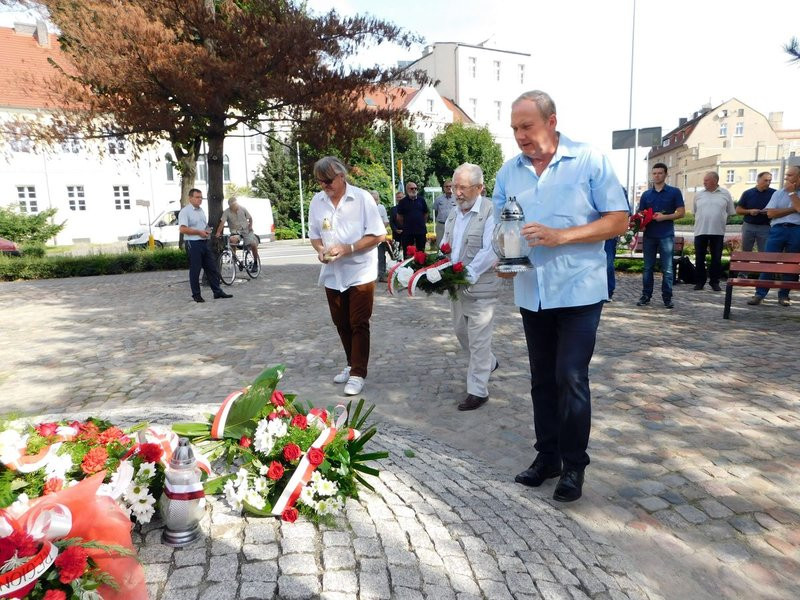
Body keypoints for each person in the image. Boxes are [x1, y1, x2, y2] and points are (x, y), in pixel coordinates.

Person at [492, 90, 628, 503]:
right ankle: (546, 457)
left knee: (570, 377)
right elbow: (500, 225)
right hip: (531, 291)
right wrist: (501, 255)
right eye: (514, 128)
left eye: (527, 127)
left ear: (551, 121)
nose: (520, 136)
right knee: (541, 381)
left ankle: (573, 466)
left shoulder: (589, 160)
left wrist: (561, 236)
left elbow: (618, 220)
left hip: (579, 290)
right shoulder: (508, 172)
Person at [308, 157, 386, 396]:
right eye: (320, 182)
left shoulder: (361, 198)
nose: (324, 186)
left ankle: (358, 373)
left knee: (358, 322)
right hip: (333, 272)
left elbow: (378, 235)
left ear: (342, 176)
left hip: (360, 270)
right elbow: (314, 235)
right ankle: (352, 364)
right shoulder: (317, 201)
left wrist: (349, 247)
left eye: (328, 181)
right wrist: (320, 250)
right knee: (341, 323)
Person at [440, 164, 499, 411]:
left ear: (479, 188)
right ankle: (490, 362)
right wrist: (438, 266)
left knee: (478, 341)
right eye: (455, 187)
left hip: (481, 289)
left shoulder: (490, 211)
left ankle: (478, 391)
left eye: (463, 187)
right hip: (456, 288)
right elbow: (446, 243)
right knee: (460, 332)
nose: (457, 192)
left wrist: (467, 274)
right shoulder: (454, 212)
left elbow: (492, 250)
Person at [747, 165, 800, 307]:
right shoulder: (778, 193)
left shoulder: (788, 192)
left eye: (790, 175)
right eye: (786, 175)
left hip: (797, 230)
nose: (786, 178)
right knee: (768, 262)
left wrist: (792, 194)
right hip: (777, 229)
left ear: (798, 178)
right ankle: (760, 294)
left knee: (791, 265)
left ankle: (784, 295)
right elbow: (770, 213)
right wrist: (792, 209)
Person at [635, 163, 686, 308]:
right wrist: (640, 223)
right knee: (647, 268)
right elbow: (641, 215)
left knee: (668, 269)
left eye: (660, 173)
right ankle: (646, 295)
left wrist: (664, 217)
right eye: (654, 173)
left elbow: (681, 213)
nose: (656, 176)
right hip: (649, 235)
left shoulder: (674, 192)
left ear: (666, 174)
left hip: (666, 235)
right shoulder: (646, 194)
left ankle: (667, 297)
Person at [178, 189, 233, 302]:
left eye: (201, 197)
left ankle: (217, 292)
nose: (200, 200)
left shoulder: (201, 210)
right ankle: (196, 295)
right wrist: (199, 232)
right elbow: (182, 229)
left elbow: (203, 225)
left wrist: (207, 231)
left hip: (204, 242)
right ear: (190, 198)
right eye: (197, 197)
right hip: (193, 244)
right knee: (195, 269)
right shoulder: (185, 211)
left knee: (212, 268)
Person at [693, 172, 735, 291]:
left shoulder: (725, 193)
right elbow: (695, 211)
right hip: (701, 230)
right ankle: (700, 282)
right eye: (704, 180)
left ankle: (714, 282)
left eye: (707, 180)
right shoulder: (699, 194)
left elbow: (730, 211)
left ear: (715, 181)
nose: (704, 182)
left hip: (717, 231)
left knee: (716, 258)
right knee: (699, 258)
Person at [736, 171, 774, 254]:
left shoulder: (774, 193)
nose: (768, 183)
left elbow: (779, 209)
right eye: (765, 180)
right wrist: (749, 211)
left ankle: (763, 267)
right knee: (746, 251)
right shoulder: (748, 193)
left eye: (770, 181)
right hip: (749, 226)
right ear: (758, 180)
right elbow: (738, 210)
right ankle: (746, 267)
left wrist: (769, 212)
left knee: (764, 252)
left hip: (765, 226)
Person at [214, 197, 259, 265]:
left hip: (246, 230)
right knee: (232, 241)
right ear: (230, 206)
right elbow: (222, 223)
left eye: (236, 204)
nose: (236, 206)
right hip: (235, 232)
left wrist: (250, 226)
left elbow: (250, 218)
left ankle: (255, 262)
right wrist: (218, 232)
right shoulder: (226, 212)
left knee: (253, 244)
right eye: (233, 205)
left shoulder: (242, 208)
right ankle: (234, 259)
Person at [396, 181, 428, 254]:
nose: (414, 190)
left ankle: (420, 265)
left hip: (420, 231)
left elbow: (425, 214)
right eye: (412, 188)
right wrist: (406, 224)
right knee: (408, 252)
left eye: (416, 188)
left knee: (421, 251)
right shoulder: (402, 202)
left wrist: (422, 223)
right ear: (407, 190)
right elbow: (399, 217)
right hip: (408, 231)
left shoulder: (421, 200)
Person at [371, 190, 391, 281]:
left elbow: (386, 221)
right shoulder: (365, 207)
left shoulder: (381, 207)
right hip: (368, 236)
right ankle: (369, 276)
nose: (375, 200)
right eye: (373, 199)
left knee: (381, 256)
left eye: (376, 199)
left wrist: (379, 228)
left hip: (380, 235)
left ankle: (382, 275)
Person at [433, 180, 457, 247]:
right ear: (444, 188)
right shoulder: (438, 199)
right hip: (441, 225)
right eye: (447, 186)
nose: (449, 188)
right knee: (440, 243)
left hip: (453, 225)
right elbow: (436, 210)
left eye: (450, 186)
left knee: (452, 243)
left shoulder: (457, 199)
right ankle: (440, 257)